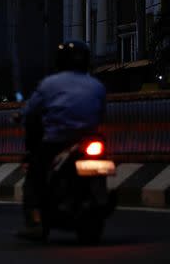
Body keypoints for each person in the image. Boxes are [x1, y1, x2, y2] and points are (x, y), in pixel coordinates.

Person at [17, 40, 106, 239]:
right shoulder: (96, 84)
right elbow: (101, 114)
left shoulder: (50, 84)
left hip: (57, 140)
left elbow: (32, 111)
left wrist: (21, 118)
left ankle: (35, 219)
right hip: (89, 140)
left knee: (35, 170)